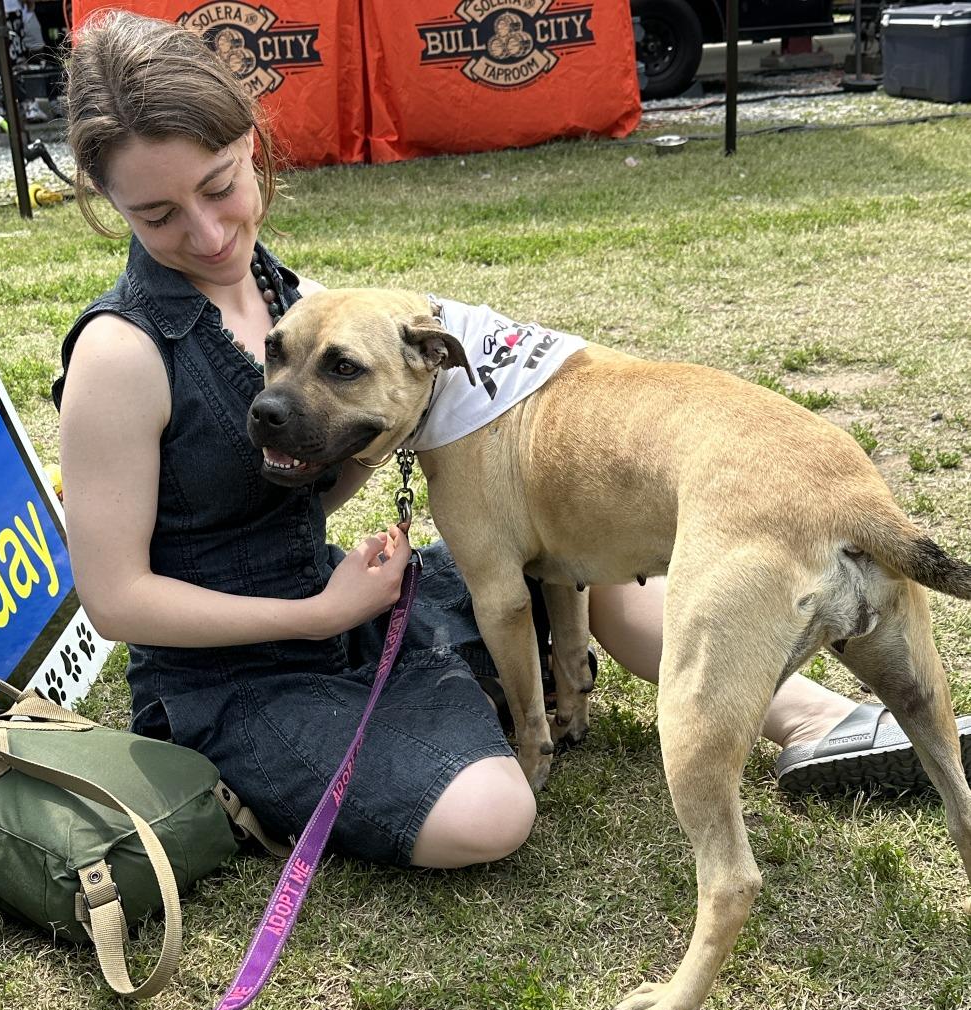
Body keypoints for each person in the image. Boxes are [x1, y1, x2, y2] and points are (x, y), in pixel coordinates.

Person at [54, 10, 970, 872]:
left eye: (220, 187)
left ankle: (817, 720)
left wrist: (399, 440)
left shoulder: (286, 294)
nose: (207, 231)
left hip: (343, 604)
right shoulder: (119, 355)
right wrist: (319, 614)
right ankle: (292, 769)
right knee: (493, 815)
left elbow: (323, 465)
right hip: (238, 672)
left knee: (592, 561)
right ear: (107, 203)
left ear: (250, 146)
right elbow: (117, 601)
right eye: (157, 216)